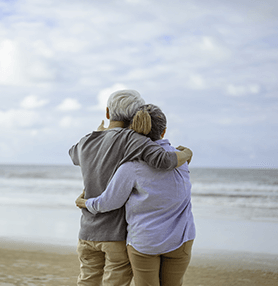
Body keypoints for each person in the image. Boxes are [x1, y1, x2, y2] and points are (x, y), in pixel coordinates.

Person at [69, 90, 193, 286]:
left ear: (107, 113)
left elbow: (73, 153)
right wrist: (186, 154)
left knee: (87, 280)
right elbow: (164, 159)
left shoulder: (86, 141)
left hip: (87, 232)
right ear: (136, 116)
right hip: (115, 234)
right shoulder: (132, 139)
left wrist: (97, 133)